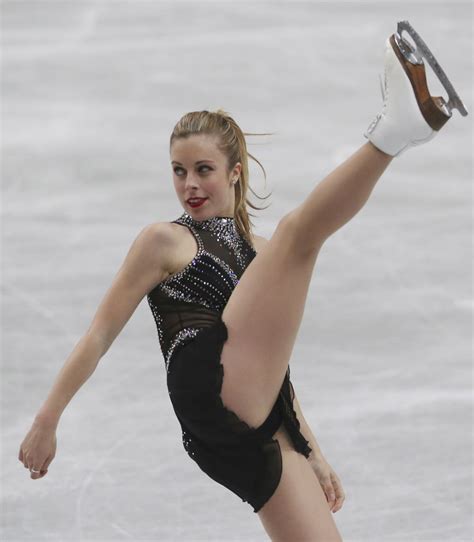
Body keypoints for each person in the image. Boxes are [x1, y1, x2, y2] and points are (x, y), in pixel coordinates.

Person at [18, 21, 467, 542]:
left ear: (233, 172)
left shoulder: (256, 255)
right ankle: (394, 131)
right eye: (178, 170)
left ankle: (403, 130)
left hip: (257, 408)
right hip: (210, 388)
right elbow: (98, 334)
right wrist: (47, 420)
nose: (189, 185)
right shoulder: (163, 241)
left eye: (203, 169)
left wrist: (313, 454)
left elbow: (275, 366)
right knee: (299, 234)